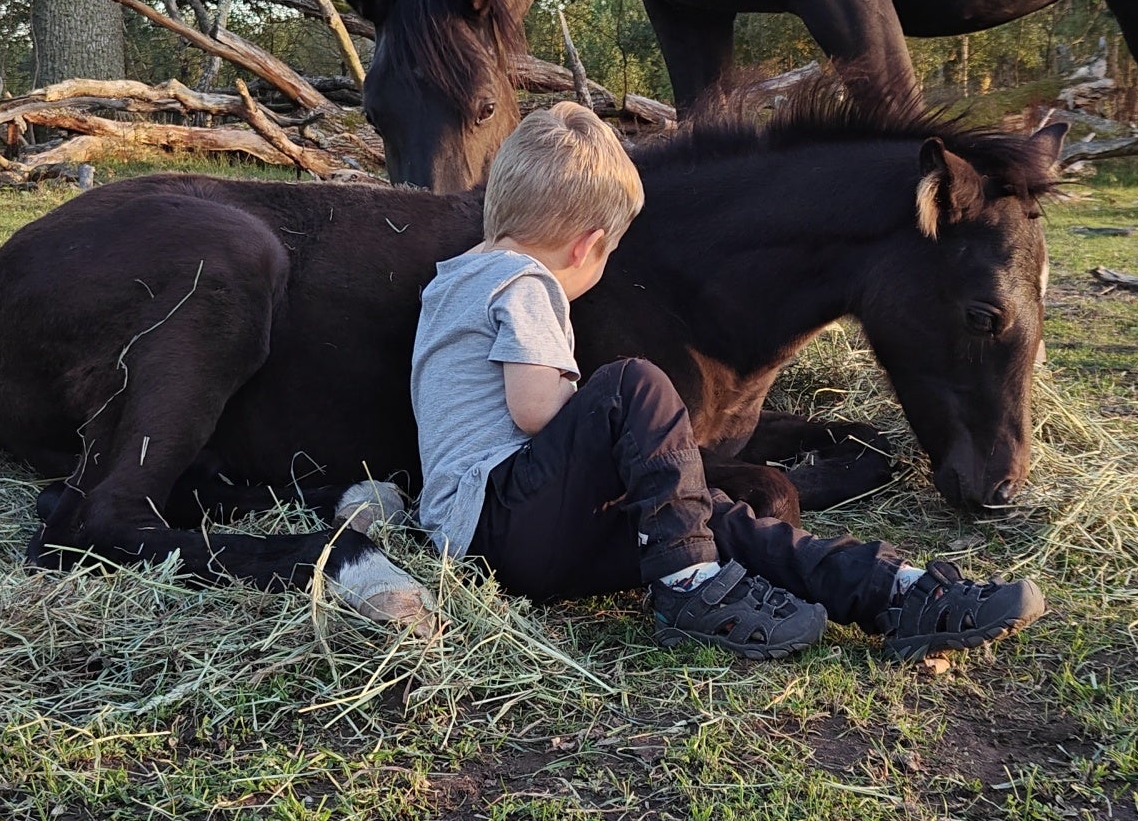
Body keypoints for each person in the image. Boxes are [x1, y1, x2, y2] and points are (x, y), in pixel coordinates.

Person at [410, 103, 1045, 662]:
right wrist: (609, 423)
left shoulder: (451, 281)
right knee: (634, 385)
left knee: (711, 516)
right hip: (497, 518)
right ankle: (689, 586)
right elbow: (534, 411)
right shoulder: (524, 285)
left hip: (492, 545)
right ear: (589, 248)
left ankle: (896, 593)